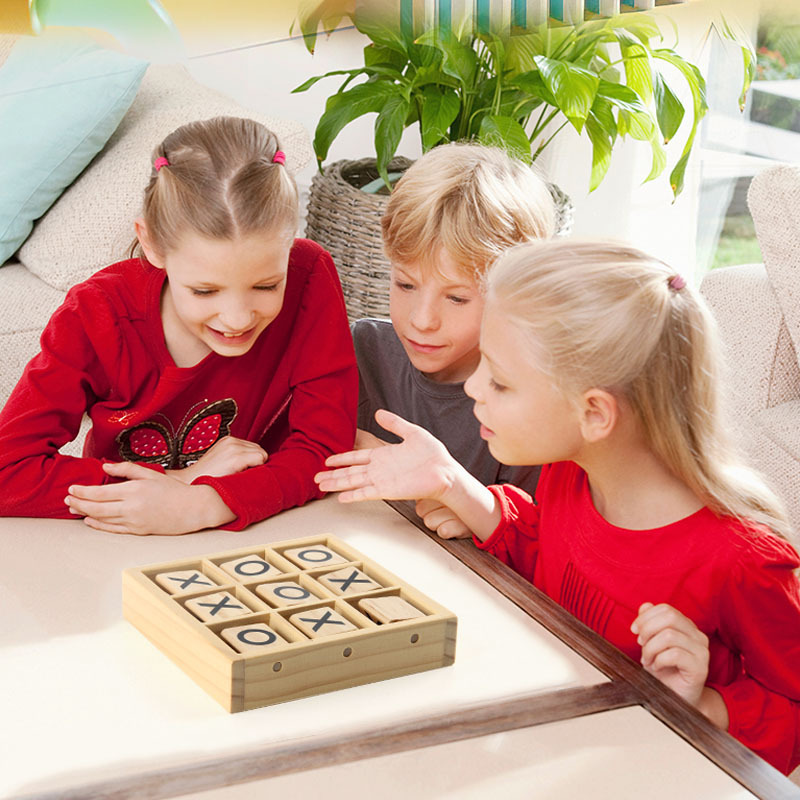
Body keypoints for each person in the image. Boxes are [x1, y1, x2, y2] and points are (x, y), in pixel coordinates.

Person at [316, 239, 800, 774]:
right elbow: (547, 552)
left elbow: (794, 708)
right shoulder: (572, 473)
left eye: (500, 380)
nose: (473, 387)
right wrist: (453, 485)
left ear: (594, 414)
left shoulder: (745, 560)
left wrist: (702, 705)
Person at [0, 116, 357, 535]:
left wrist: (208, 504)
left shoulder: (309, 274)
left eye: (266, 285)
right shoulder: (97, 312)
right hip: (120, 534)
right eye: (205, 291)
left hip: (264, 529)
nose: (237, 318)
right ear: (151, 243)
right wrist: (180, 483)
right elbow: (8, 471)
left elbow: (324, 446)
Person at [353, 143, 555, 536]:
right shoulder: (363, 350)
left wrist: (470, 508)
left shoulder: (531, 404)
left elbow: (538, 541)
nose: (422, 320)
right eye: (405, 284)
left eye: (457, 298)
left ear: (516, 293)